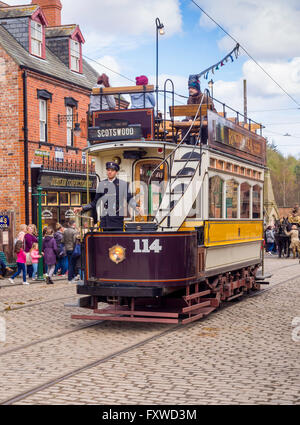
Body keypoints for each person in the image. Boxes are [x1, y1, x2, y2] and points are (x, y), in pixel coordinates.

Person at [75, 162, 142, 232]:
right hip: (105, 221)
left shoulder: (123, 184)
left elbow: (129, 199)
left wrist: (136, 206)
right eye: (108, 170)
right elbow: (95, 202)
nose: (109, 172)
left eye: (112, 170)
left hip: (117, 221)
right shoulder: (101, 184)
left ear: (116, 172)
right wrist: (82, 208)